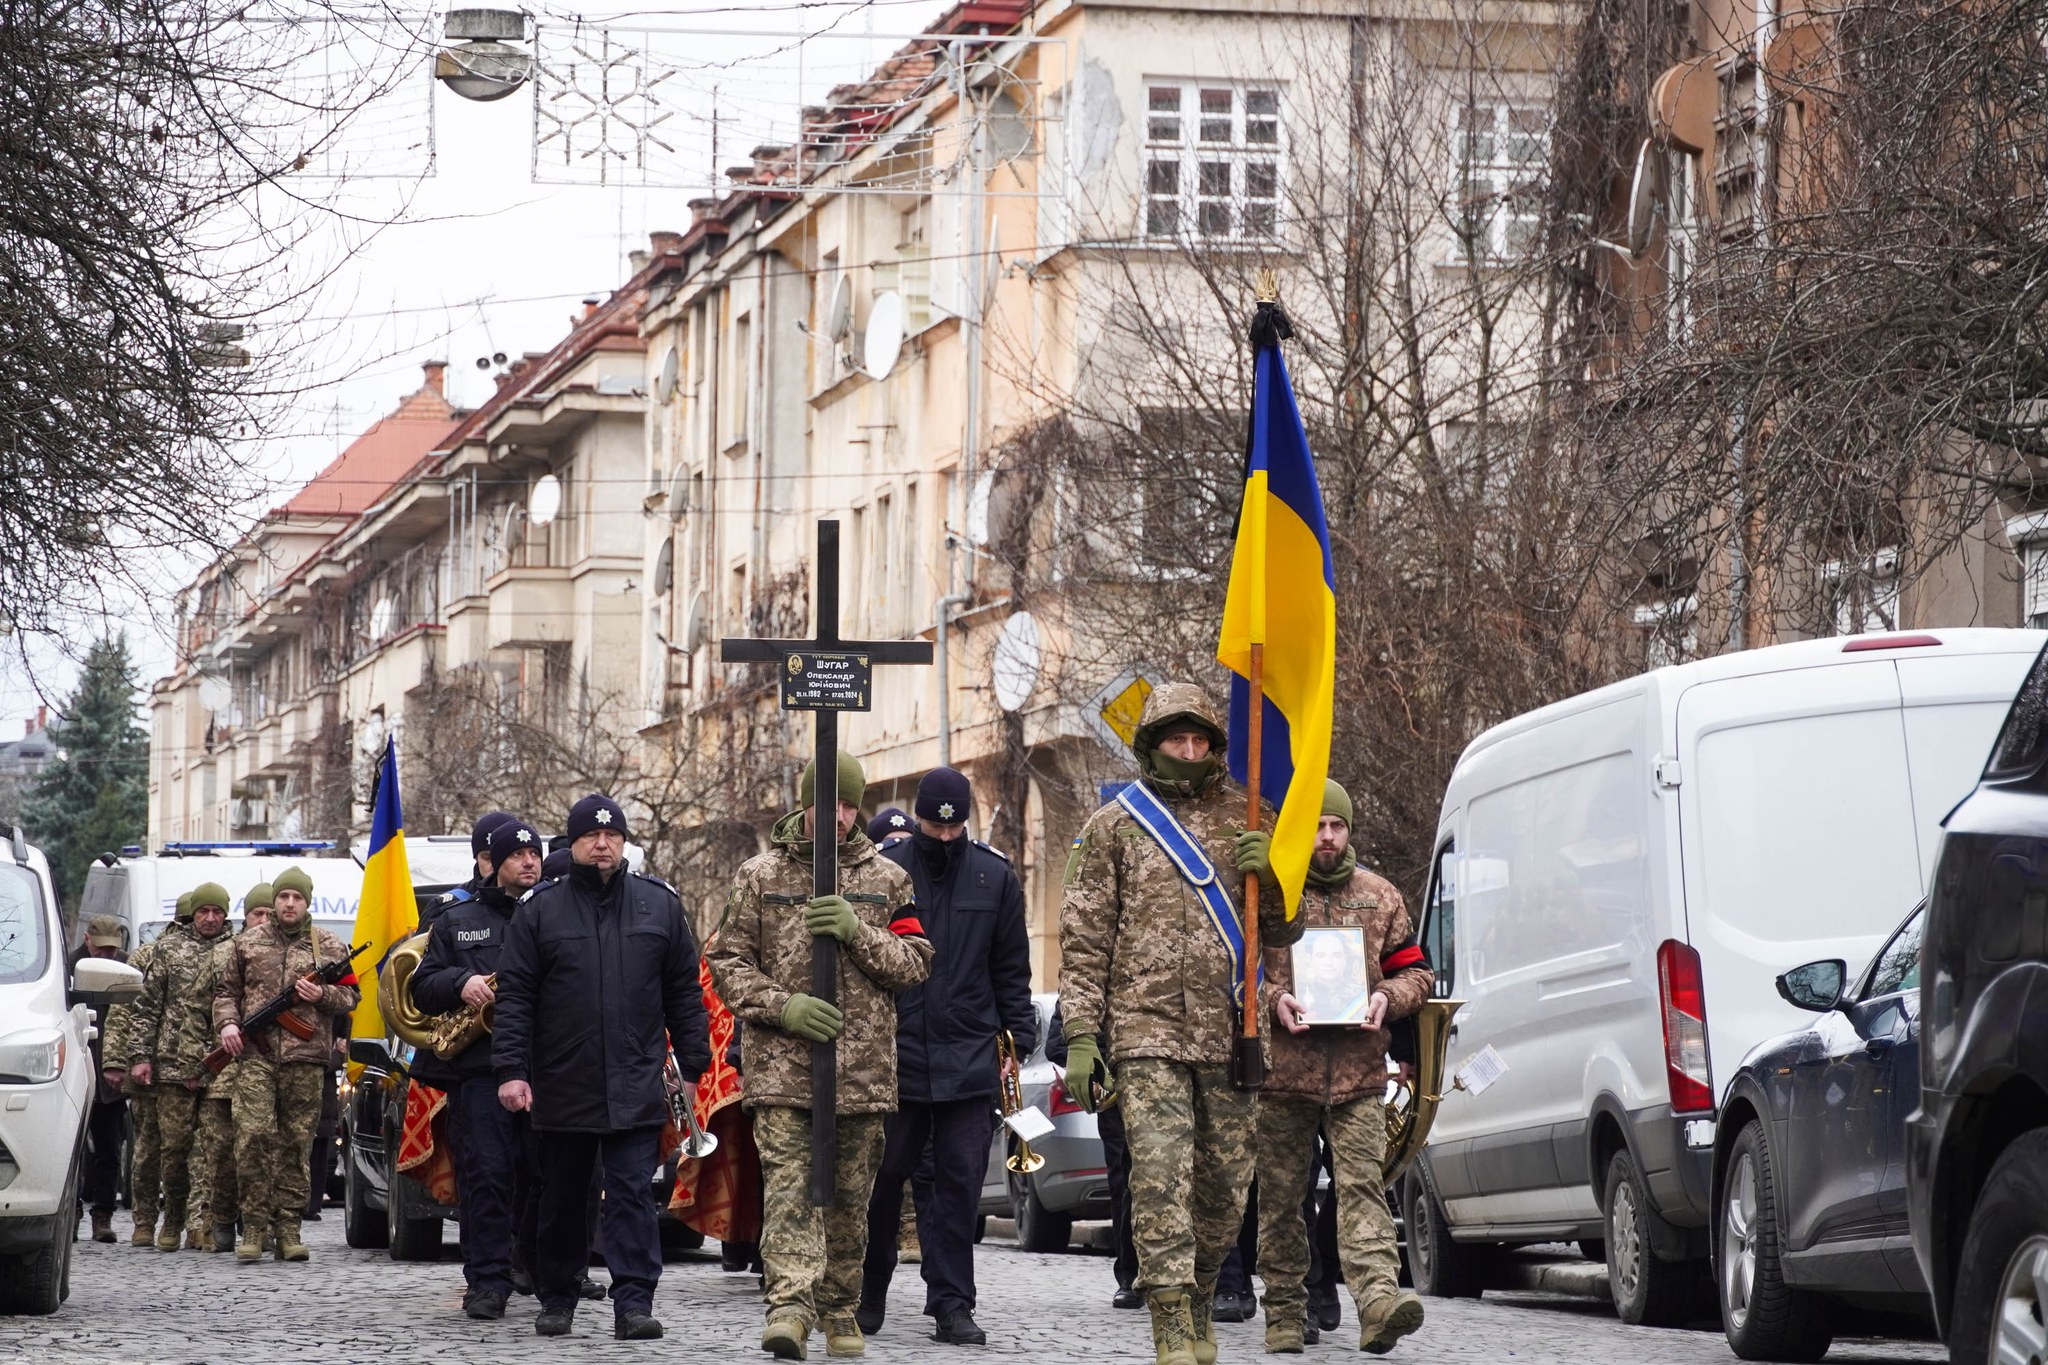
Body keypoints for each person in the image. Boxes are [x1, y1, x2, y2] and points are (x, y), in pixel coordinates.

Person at [1058, 681, 1301, 1365]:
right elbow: (1082, 941)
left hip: (1232, 1035)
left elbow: (1286, 928)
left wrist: (1275, 875)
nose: (1189, 752)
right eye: (1176, 739)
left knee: (1225, 1187)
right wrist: (1082, 1035)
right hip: (1146, 1034)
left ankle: (1199, 1298)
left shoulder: (1250, 816)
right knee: (1162, 1178)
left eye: (1199, 740)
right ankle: (1169, 1321)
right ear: (1151, 744)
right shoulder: (1114, 826)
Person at [708, 752, 934, 1361]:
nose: (833, 815)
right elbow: (725, 961)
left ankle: (839, 1308)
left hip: (862, 1075)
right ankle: (787, 1309)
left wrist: (858, 932)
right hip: (784, 1069)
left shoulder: (889, 879)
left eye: (845, 803)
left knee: (850, 1199)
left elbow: (915, 965)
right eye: (823, 802)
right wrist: (783, 1007)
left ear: (857, 808)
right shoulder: (760, 875)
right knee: (789, 1190)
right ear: (803, 804)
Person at [494, 794, 711, 1341]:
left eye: (612, 835)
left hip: (637, 1079)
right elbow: (515, 997)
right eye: (591, 837)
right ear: (574, 844)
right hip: (563, 1082)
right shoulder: (541, 909)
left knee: (634, 1196)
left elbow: (684, 993)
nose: (602, 844)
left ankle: (634, 1301)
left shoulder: (658, 905)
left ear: (622, 842)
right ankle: (559, 1297)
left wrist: (693, 1065)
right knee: (564, 1197)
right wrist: (512, 1071)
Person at [857, 767, 1036, 1347]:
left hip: (968, 1057)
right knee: (882, 1182)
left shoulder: (994, 876)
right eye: (935, 825)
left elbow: (1011, 970)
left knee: (959, 1187)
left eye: (955, 825)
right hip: (895, 1056)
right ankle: (869, 1291)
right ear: (918, 819)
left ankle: (952, 1304)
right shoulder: (885, 872)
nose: (945, 836)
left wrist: (1018, 1043)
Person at [1255, 780, 1433, 1355]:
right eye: (1317, 826)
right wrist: (1272, 1001)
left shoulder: (1380, 896)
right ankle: (1284, 1311)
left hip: (1359, 1075)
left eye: (1336, 826)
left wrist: (1388, 998)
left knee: (1363, 1189)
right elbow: (1237, 975)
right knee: (1283, 1200)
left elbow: (1417, 973)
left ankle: (1379, 1302)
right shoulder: (1268, 894)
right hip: (1284, 1077)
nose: (1327, 837)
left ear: (1349, 830)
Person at [412, 816, 545, 1320]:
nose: (529, 862)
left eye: (535, 854)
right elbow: (421, 986)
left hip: (547, 1070)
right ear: (493, 863)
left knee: (546, 1178)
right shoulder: (455, 916)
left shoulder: (558, 911)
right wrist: (459, 982)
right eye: (517, 855)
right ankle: (487, 1283)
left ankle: (538, 1269)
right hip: (480, 1070)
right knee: (486, 1177)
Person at [213, 864, 360, 1263]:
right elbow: (226, 992)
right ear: (274, 901)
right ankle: (255, 1228)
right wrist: (227, 1024)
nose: (289, 903)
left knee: (296, 1145)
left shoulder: (328, 945)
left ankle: (289, 1230)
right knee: (253, 1138)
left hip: (306, 1059)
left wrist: (321, 995)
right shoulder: (247, 943)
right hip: (256, 1056)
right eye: (283, 897)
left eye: (297, 897)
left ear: (307, 902)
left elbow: (351, 999)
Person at [126, 881, 233, 1250]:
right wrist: (140, 1057)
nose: (209, 918)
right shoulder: (169, 950)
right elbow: (146, 1007)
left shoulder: (236, 949)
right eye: (203, 911)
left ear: (225, 914)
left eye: (216, 911)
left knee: (213, 1148)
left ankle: (198, 1222)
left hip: (222, 1064)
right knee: (174, 1150)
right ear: (194, 914)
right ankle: (170, 1216)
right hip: (173, 1066)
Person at [184, 886, 271, 1252]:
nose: (263, 921)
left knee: (262, 1148)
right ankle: (221, 1219)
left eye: (269, 914)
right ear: (244, 917)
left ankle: (259, 1226)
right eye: (257, 914)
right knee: (220, 1152)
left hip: (265, 1069)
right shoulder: (223, 953)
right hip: (223, 1073)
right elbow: (195, 1008)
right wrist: (200, 1059)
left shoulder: (289, 955)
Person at [103, 896, 175, 1246]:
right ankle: (144, 1218)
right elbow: (122, 1014)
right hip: (149, 1067)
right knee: (146, 1149)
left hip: (194, 1069)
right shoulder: (148, 956)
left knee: (191, 1150)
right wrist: (116, 1062)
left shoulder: (223, 952)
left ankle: (190, 1220)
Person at [75, 915, 129, 1244]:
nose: (107, 956)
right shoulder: (68, 965)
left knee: (110, 1149)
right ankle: (71, 1214)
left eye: (113, 950)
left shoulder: (125, 969)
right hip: (76, 1069)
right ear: (87, 940)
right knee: (75, 1151)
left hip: (110, 1077)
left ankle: (102, 1215)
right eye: (101, 949)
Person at [419, 810, 518, 933]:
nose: (495, 865)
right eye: (487, 858)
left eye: (503, 857)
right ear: (476, 858)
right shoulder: (445, 908)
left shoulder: (537, 904)